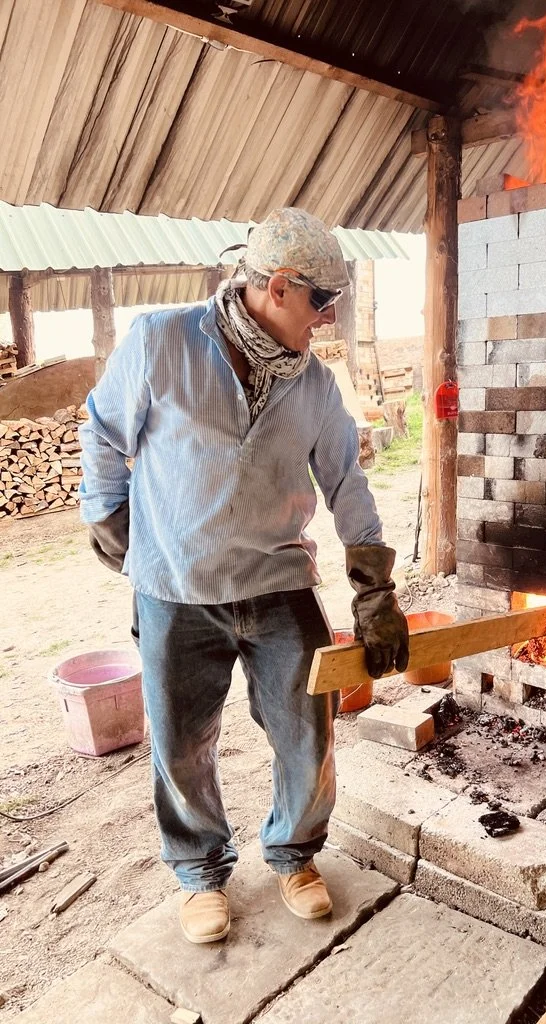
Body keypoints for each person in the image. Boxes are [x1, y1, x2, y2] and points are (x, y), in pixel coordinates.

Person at [78, 208, 409, 944]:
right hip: (176, 589)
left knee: (307, 733)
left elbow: (346, 482)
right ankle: (201, 872)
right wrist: (107, 514)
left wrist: (375, 585)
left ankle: (294, 854)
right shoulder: (162, 341)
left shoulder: (316, 386)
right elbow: (101, 430)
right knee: (181, 740)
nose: (327, 319)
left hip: (278, 583)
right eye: (323, 302)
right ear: (282, 288)